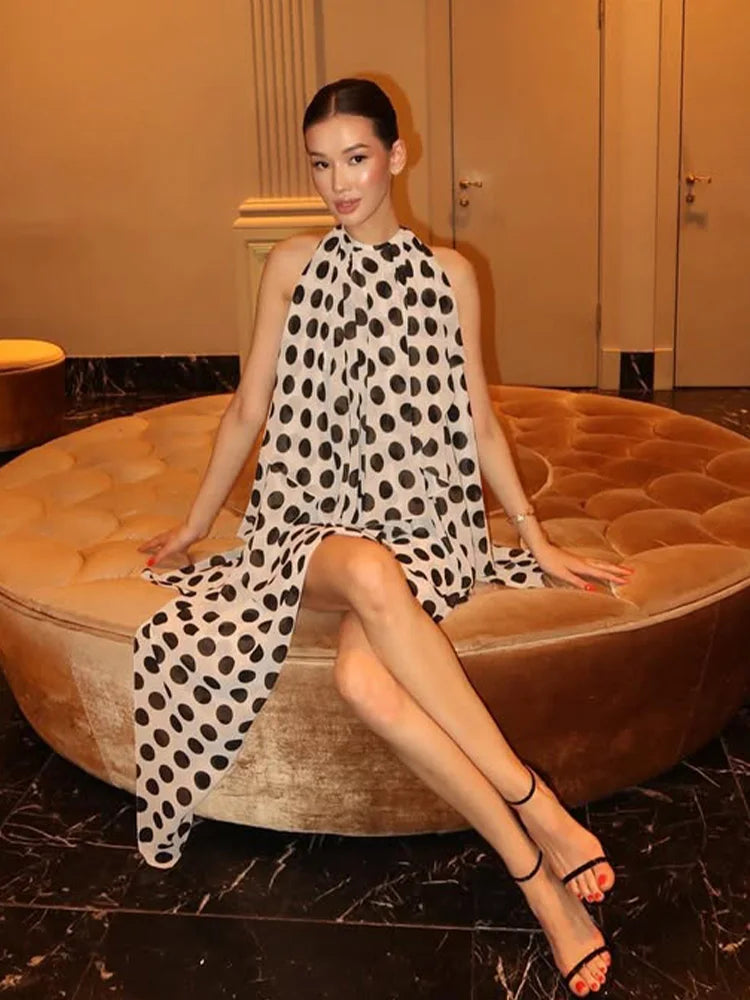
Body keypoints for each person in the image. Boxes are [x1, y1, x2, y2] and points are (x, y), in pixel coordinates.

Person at [135, 77, 633, 996]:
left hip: (426, 520)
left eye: (356, 159)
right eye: (322, 165)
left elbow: (480, 419)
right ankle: (539, 813)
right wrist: (199, 523)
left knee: (369, 680)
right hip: (309, 519)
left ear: (395, 157)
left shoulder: (450, 275)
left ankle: (541, 891)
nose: (339, 184)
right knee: (361, 565)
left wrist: (533, 534)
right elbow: (250, 407)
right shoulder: (290, 265)